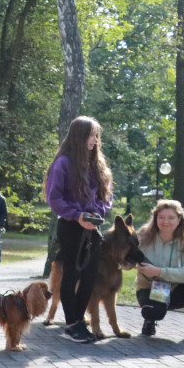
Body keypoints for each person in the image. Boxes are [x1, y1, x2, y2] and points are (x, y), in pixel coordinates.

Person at [44, 115, 113, 344]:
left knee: (90, 274)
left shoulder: (97, 164)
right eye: (92, 135)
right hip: (71, 227)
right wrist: (78, 216)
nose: (95, 140)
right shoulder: (63, 163)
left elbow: (106, 196)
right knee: (71, 273)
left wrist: (98, 213)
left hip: (92, 228)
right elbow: (54, 199)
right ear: (79, 136)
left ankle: (78, 319)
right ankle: (72, 323)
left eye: (96, 135)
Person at [133, 199, 184, 343]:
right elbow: (127, 260)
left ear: (179, 219)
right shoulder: (142, 237)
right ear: (155, 218)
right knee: (154, 312)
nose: (165, 222)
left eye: (171, 218)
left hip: (175, 289)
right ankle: (149, 320)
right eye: (161, 217)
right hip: (149, 288)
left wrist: (158, 271)